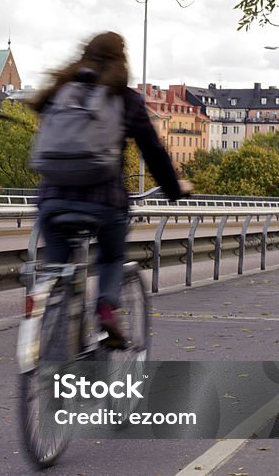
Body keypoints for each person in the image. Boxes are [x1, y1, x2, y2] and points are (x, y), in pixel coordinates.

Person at [30, 31, 193, 348]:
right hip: (104, 202)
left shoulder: (59, 91)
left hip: (52, 199)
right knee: (110, 257)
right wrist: (174, 188)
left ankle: (49, 308)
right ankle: (106, 308)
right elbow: (154, 151)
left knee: (56, 266)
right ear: (121, 61)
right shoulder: (124, 99)